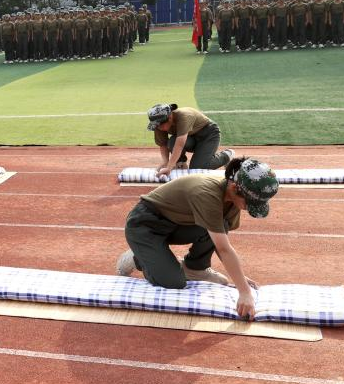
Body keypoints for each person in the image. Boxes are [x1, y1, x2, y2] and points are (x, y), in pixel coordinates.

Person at [116, 157, 278, 319]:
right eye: (250, 202)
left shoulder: (232, 198)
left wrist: (240, 279)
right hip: (145, 226)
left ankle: (196, 268)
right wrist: (244, 291)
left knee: (221, 224)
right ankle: (138, 258)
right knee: (174, 281)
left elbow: (220, 238)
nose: (250, 208)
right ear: (234, 187)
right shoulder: (208, 194)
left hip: (174, 223)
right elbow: (223, 248)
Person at [147, 103, 233, 176]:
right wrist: (166, 162)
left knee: (197, 168)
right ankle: (181, 164)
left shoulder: (184, 116)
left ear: (169, 118)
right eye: (156, 125)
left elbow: (180, 144)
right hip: (191, 137)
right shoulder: (158, 125)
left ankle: (227, 155)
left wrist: (169, 167)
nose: (158, 128)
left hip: (208, 135)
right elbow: (163, 144)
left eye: (160, 125)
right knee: (172, 141)